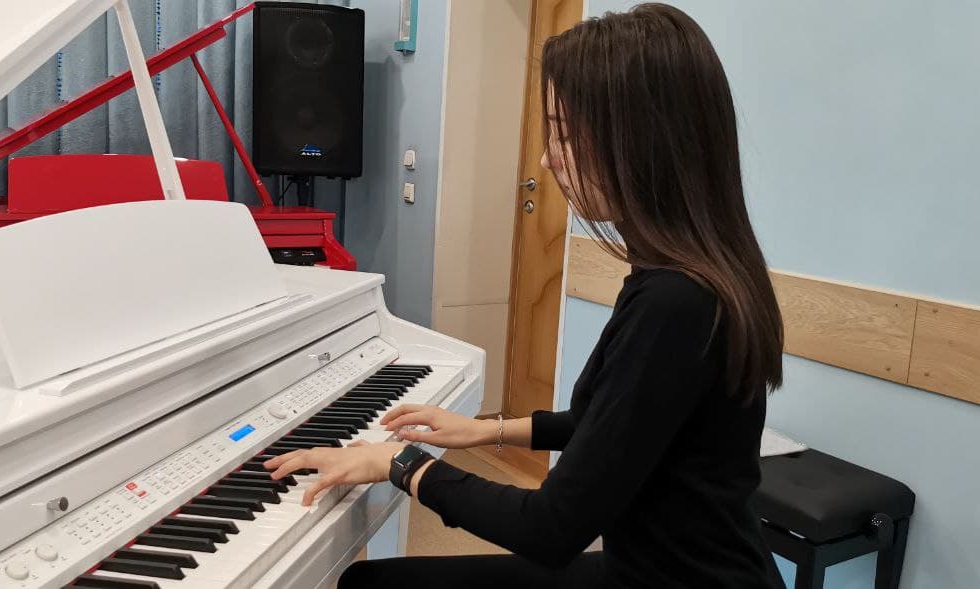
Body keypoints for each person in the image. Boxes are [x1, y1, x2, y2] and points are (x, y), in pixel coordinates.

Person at [265, 4, 786, 587]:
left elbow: (551, 528)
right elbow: (608, 425)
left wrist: (400, 463)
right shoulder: (700, 272)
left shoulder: (676, 302)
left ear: (641, 139)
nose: (545, 158)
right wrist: (488, 430)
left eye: (563, 133)